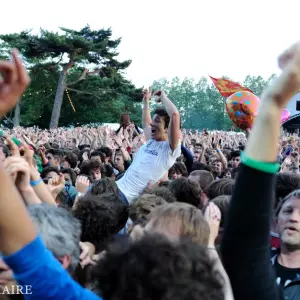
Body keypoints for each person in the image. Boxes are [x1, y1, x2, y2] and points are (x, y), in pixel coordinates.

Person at [116, 88, 181, 203]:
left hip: (125, 198)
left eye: (157, 121)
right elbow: (146, 122)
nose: (152, 123)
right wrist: (146, 101)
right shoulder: (151, 140)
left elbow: (175, 115)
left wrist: (163, 98)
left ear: (167, 128)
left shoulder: (170, 150)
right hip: (116, 188)